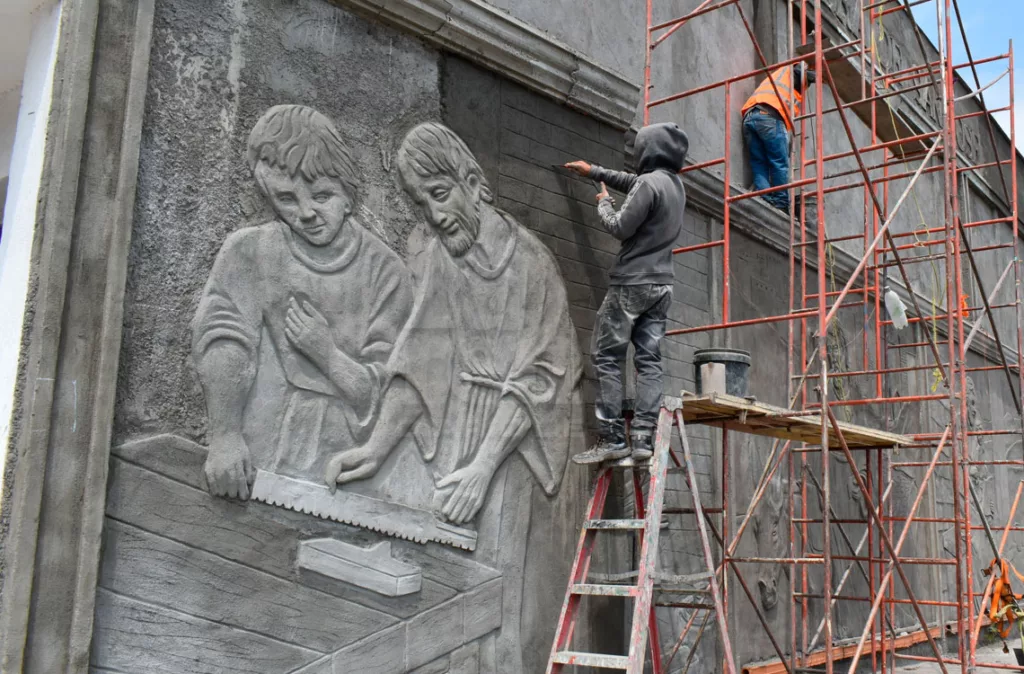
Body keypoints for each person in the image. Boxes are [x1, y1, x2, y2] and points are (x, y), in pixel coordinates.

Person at [192, 104, 413, 499]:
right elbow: (223, 337)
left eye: (322, 195)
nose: (307, 212)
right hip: (260, 449)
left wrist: (325, 354)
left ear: (349, 193)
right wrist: (225, 436)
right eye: (287, 199)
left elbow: (390, 393)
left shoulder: (386, 272)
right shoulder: (251, 250)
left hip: (342, 464)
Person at [563, 122, 689, 464]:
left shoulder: (649, 183)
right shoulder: (676, 186)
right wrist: (595, 172)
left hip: (632, 283)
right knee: (649, 360)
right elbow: (636, 183)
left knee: (607, 356)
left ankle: (613, 438)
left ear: (648, 151)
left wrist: (604, 203)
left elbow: (619, 226)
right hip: (662, 286)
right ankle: (643, 438)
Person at [741, 62, 815, 213]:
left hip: (750, 117)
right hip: (770, 117)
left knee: (759, 163)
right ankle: (781, 203)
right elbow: (802, 72)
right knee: (779, 163)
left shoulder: (779, 76)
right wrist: (817, 75)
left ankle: (765, 196)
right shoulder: (794, 72)